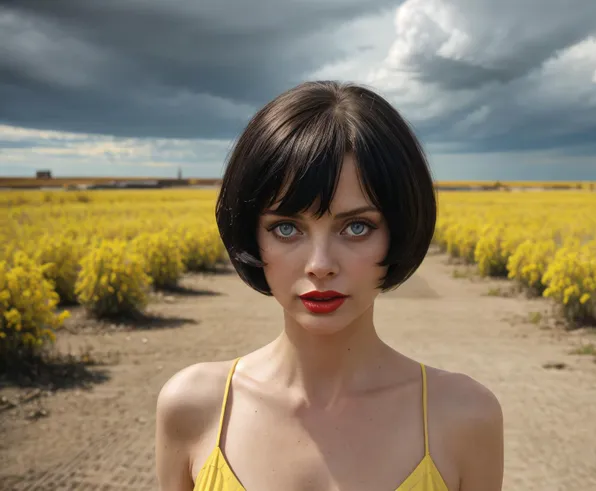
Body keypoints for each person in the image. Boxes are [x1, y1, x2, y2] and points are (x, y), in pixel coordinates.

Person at [155, 80, 504, 491]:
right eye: (286, 228)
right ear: (252, 235)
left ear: (400, 230)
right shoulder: (192, 407)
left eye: (357, 227)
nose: (320, 266)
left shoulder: (465, 417)